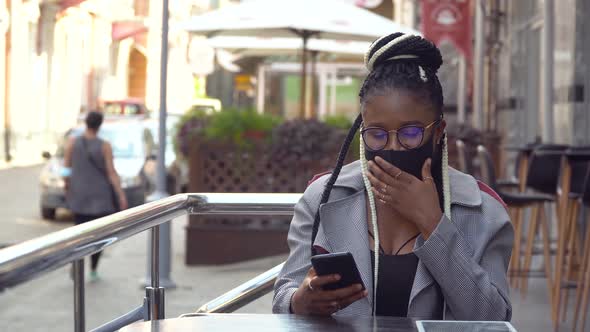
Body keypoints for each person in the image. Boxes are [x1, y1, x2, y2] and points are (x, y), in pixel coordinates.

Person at [273, 33, 513, 320]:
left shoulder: (483, 211)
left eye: (411, 133)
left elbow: (493, 319)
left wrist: (432, 223)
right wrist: (301, 300)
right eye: (377, 134)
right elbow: (284, 295)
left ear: (438, 132)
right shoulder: (324, 196)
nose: (393, 147)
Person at [63, 111, 128, 280]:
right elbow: (111, 172)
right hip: (100, 197)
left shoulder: (72, 142)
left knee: (78, 233)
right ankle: (93, 270)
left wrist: (67, 186)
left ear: (86, 123)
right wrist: (121, 195)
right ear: (100, 125)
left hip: (79, 195)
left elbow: (66, 169)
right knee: (98, 235)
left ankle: (75, 264)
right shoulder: (104, 145)